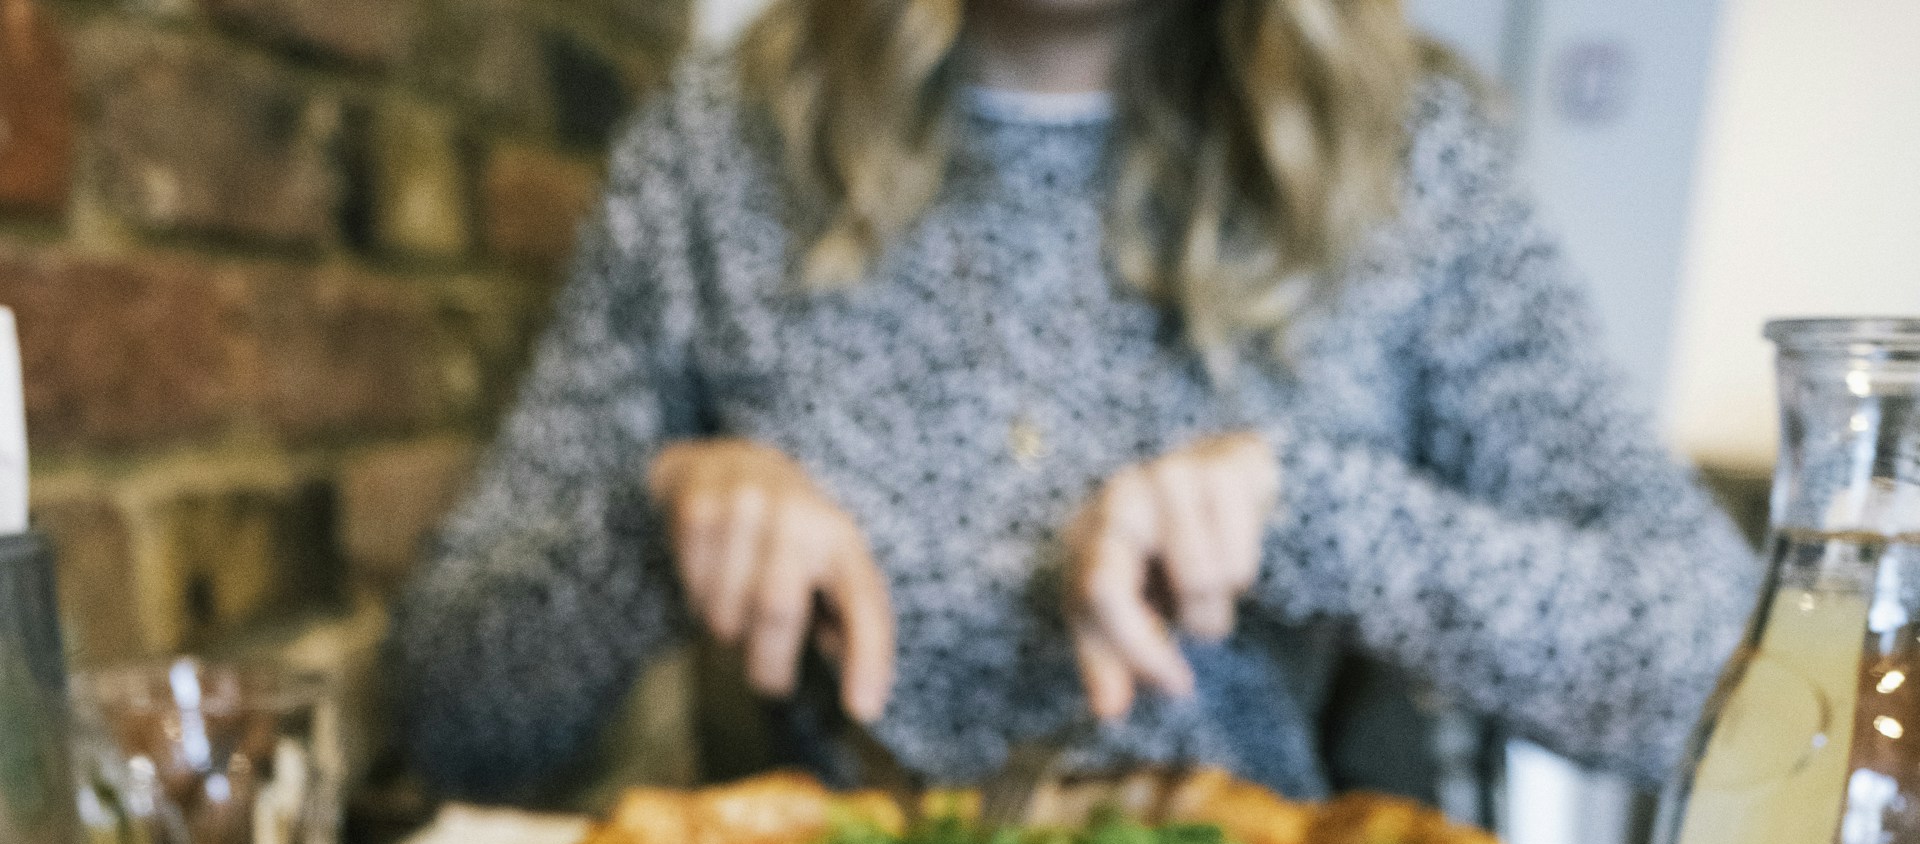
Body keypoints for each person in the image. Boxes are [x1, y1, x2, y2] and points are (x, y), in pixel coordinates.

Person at [392, 0, 1755, 803]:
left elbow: (1715, 681)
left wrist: (1320, 514)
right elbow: (447, 717)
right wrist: (662, 520)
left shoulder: (1408, 157)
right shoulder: (714, 147)